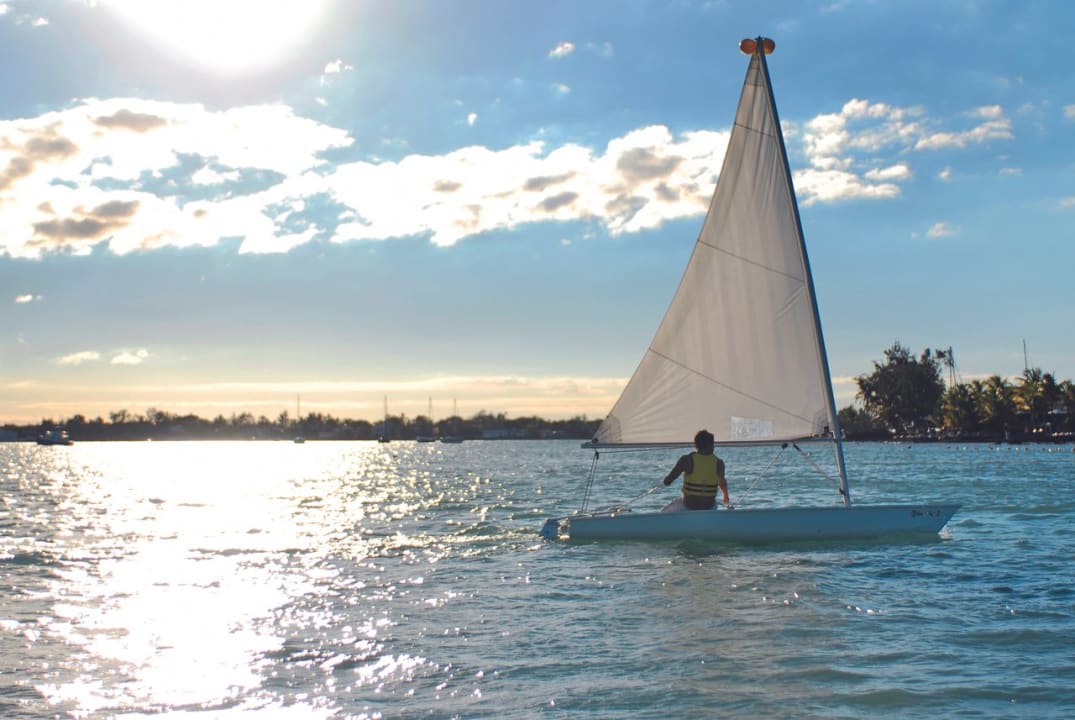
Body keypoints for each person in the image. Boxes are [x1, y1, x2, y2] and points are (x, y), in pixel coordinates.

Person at [661, 429, 731, 510]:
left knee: (663, 511)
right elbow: (722, 483)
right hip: (709, 507)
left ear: (696, 445)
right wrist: (725, 495)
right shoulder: (719, 463)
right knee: (715, 504)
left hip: (688, 506)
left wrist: (665, 480)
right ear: (712, 445)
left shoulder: (686, 459)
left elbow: (667, 482)